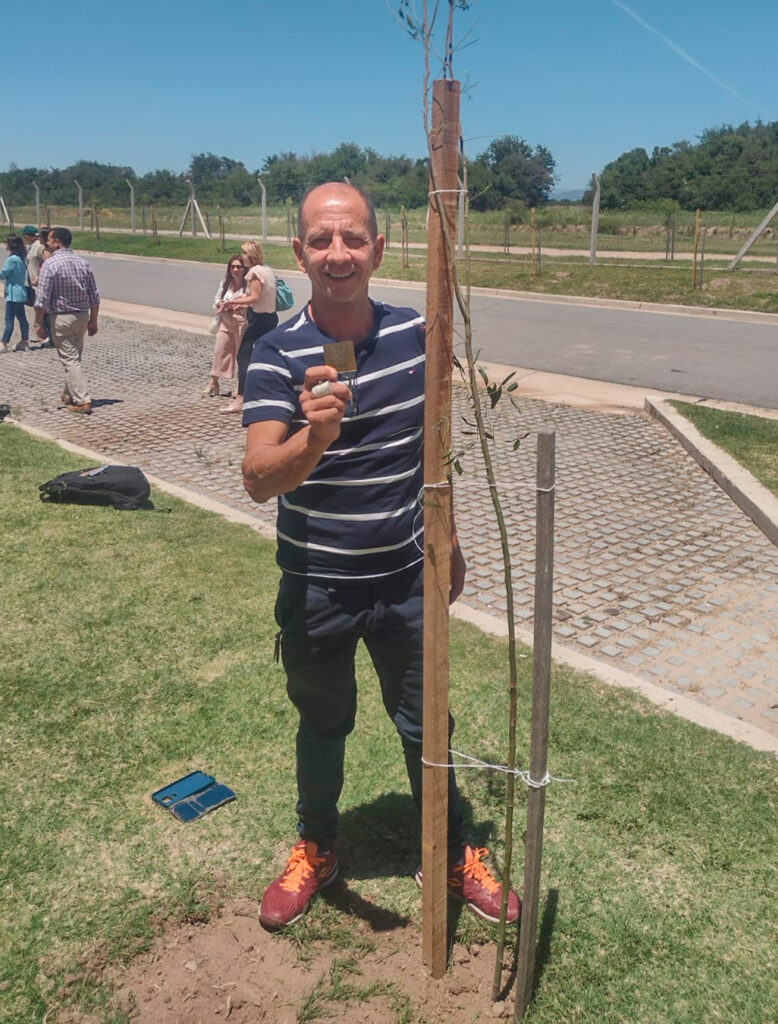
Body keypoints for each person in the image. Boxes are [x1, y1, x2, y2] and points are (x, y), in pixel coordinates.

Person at [242, 182, 520, 931]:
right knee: (322, 723)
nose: (338, 254)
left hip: (405, 580)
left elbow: (436, 450)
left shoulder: (416, 337)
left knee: (429, 726)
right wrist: (315, 437)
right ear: (299, 253)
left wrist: (451, 540)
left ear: (378, 249)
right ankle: (318, 845)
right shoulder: (273, 354)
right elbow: (258, 478)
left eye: (353, 238)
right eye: (322, 241)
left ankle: (451, 847)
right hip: (317, 587)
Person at [33, 227, 100, 414]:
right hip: (82, 315)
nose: (47, 242)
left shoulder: (50, 265)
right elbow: (94, 295)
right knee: (75, 357)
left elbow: (42, 299)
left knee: (70, 360)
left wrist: (38, 323)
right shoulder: (83, 263)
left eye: (50, 239)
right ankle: (68, 393)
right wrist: (93, 320)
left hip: (61, 317)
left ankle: (83, 401)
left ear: (57, 242)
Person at [219, 240, 278, 414]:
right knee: (264, 356)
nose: (242, 256)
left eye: (244, 253)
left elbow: (255, 298)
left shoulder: (255, 271)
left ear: (250, 255)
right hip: (270, 318)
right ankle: (263, 392)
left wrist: (232, 301)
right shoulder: (267, 270)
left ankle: (241, 399)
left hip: (260, 320)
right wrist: (241, 306)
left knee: (243, 357)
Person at [204, 255, 248, 397]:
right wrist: (220, 305)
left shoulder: (248, 284)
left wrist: (237, 306)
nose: (235, 269)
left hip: (241, 322)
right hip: (225, 321)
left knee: (240, 355)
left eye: (238, 267)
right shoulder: (226, 282)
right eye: (232, 267)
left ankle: (241, 387)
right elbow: (217, 297)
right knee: (220, 351)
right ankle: (213, 382)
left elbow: (253, 302)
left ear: (244, 268)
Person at [0, 235, 30, 352]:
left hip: (13, 292)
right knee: (22, 318)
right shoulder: (21, 258)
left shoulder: (12, 259)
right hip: (21, 292)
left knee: (9, 319)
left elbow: (3, 273)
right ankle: (24, 340)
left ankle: (4, 342)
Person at [24, 227, 53, 346]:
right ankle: (43, 334)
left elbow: (47, 262)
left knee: (43, 311)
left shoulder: (39, 246)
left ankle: (48, 336)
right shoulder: (31, 246)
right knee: (39, 309)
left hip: (40, 285)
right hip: (33, 284)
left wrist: (39, 277)